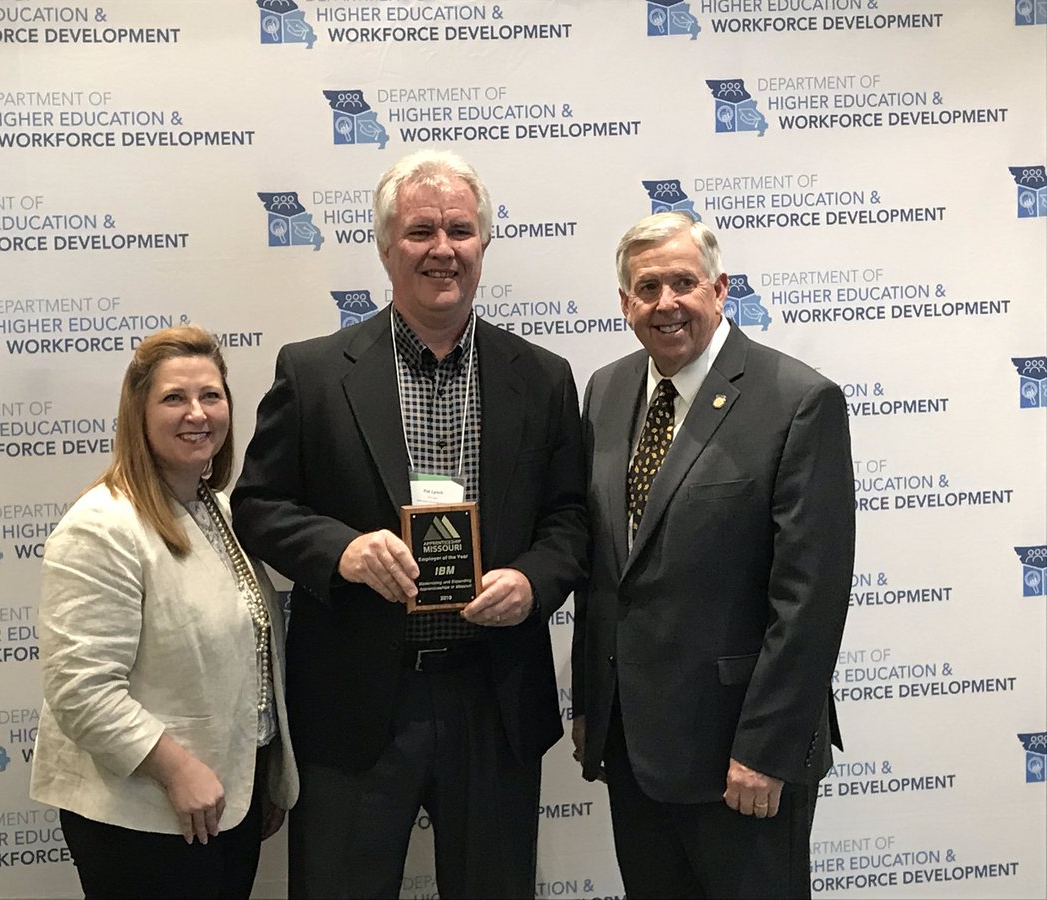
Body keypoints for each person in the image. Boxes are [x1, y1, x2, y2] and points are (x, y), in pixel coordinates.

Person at [232, 148, 587, 899]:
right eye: (421, 231)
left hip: (492, 700)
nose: (442, 249)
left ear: (484, 244)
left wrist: (532, 579)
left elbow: (570, 521)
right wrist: (343, 550)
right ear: (386, 246)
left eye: (460, 229)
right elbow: (258, 506)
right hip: (359, 698)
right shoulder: (315, 371)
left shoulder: (545, 377)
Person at [571, 212, 854, 899]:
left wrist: (765, 749)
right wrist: (590, 704)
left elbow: (809, 600)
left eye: (682, 282)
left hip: (741, 759)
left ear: (720, 288)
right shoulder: (605, 392)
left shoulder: (797, 401)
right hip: (634, 749)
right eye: (646, 288)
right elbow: (606, 571)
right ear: (624, 303)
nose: (664, 303)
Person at [30, 325, 298, 899]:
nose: (197, 413)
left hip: (227, 802)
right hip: (143, 816)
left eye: (211, 395)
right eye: (174, 398)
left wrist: (263, 773)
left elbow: (246, 653)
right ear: (139, 412)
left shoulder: (222, 511)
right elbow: (80, 688)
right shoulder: (102, 527)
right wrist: (177, 770)